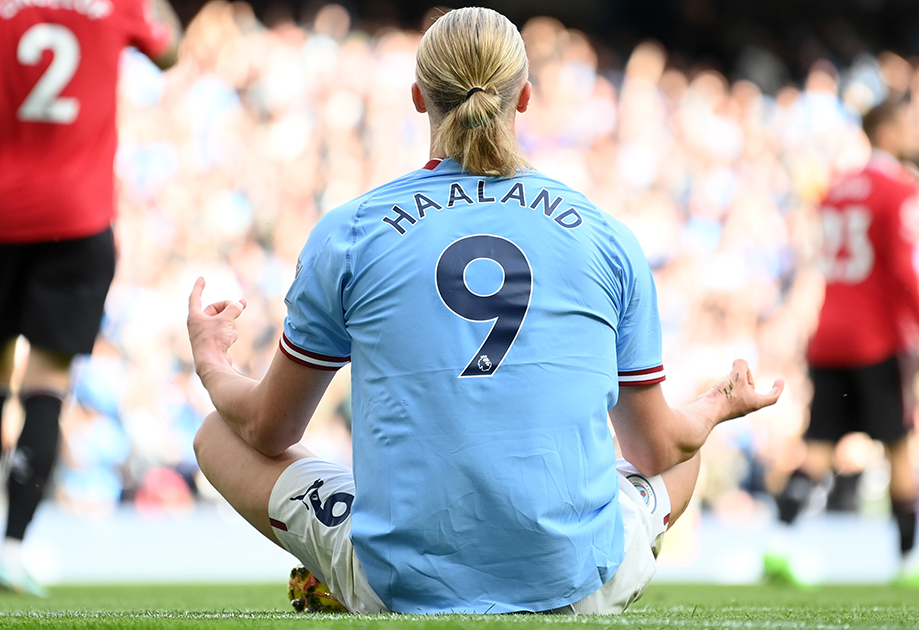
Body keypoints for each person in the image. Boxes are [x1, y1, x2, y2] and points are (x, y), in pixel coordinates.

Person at [188, 7, 782, 615]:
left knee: (217, 433)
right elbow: (655, 449)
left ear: (419, 98)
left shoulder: (352, 230)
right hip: (575, 586)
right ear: (524, 97)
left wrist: (212, 364)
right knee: (684, 451)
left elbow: (269, 431)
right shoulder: (607, 236)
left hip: (397, 586)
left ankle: (348, 572)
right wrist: (718, 406)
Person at [0, 0, 183, 595]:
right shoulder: (118, 5)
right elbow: (168, 52)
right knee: (46, 381)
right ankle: (13, 548)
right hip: (79, 217)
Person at [765, 99, 919, 586]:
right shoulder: (897, 189)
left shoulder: (836, 188)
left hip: (830, 334)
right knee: (899, 448)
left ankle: (779, 544)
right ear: (888, 131)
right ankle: (908, 564)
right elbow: (903, 271)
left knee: (819, 446)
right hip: (877, 339)